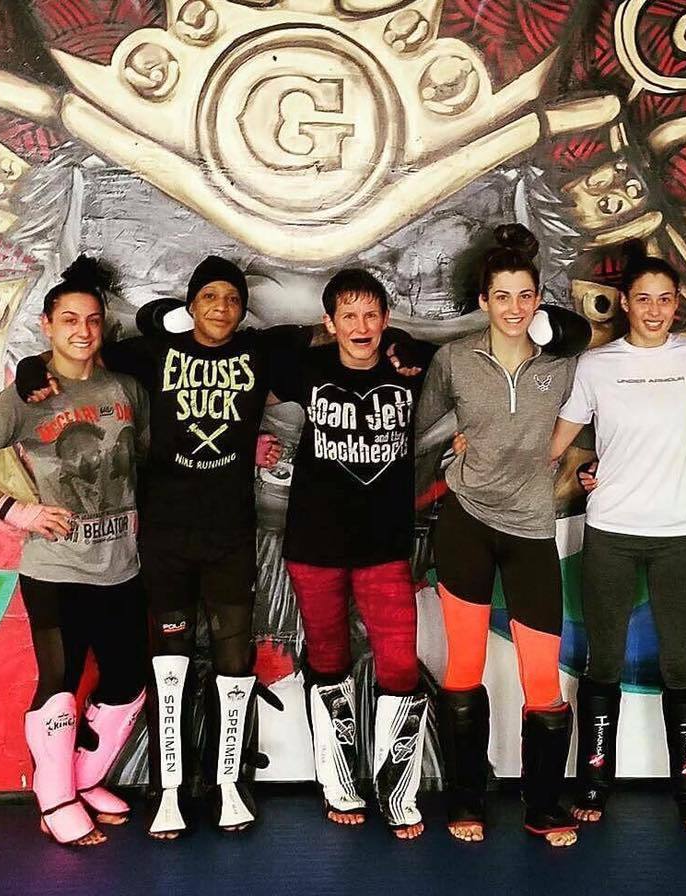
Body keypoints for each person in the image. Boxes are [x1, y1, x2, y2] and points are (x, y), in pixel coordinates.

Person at [16, 256, 304, 839]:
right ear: (190, 304)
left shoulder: (260, 353)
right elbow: (80, 356)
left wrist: (400, 348)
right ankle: (168, 788)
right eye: (209, 296)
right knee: (167, 669)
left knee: (234, 667)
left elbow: (333, 340)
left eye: (232, 298)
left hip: (230, 537)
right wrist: (28, 368)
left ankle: (228, 785)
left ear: (243, 309)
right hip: (164, 539)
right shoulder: (148, 355)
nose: (221, 307)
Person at [0, 256, 149, 847]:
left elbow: (146, 459)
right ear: (46, 325)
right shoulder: (28, 394)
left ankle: (84, 780)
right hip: (55, 569)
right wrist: (16, 511)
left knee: (127, 682)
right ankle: (54, 796)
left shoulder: (125, 389)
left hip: (121, 566)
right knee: (60, 682)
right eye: (69, 319)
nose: (82, 331)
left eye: (92, 320)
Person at [415, 224, 587, 847]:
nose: (514, 307)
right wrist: (446, 454)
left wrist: (586, 467)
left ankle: (543, 806)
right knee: (464, 666)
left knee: (543, 679)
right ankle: (468, 798)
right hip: (465, 522)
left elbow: (588, 411)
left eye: (525, 295)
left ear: (538, 300)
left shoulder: (562, 366)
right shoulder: (455, 359)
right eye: (502, 295)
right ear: (484, 301)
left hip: (532, 528)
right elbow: (420, 432)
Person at [549, 244, 686, 835]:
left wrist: (675, 463)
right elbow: (558, 440)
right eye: (643, 299)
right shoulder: (596, 365)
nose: (654, 310)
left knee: (681, 665)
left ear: (677, 305)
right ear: (624, 303)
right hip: (611, 531)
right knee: (603, 660)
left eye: (665, 300)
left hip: (679, 532)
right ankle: (594, 784)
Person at [268, 269, 434, 839]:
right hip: (314, 541)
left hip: (384, 544)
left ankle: (398, 792)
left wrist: (409, 348)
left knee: (400, 664)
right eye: (348, 316)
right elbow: (253, 357)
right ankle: (337, 783)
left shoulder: (410, 368)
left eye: (371, 315)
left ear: (386, 319)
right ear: (330, 322)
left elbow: (545, 336)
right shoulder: (308, 366)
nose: (361, 327)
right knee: (327, 658)